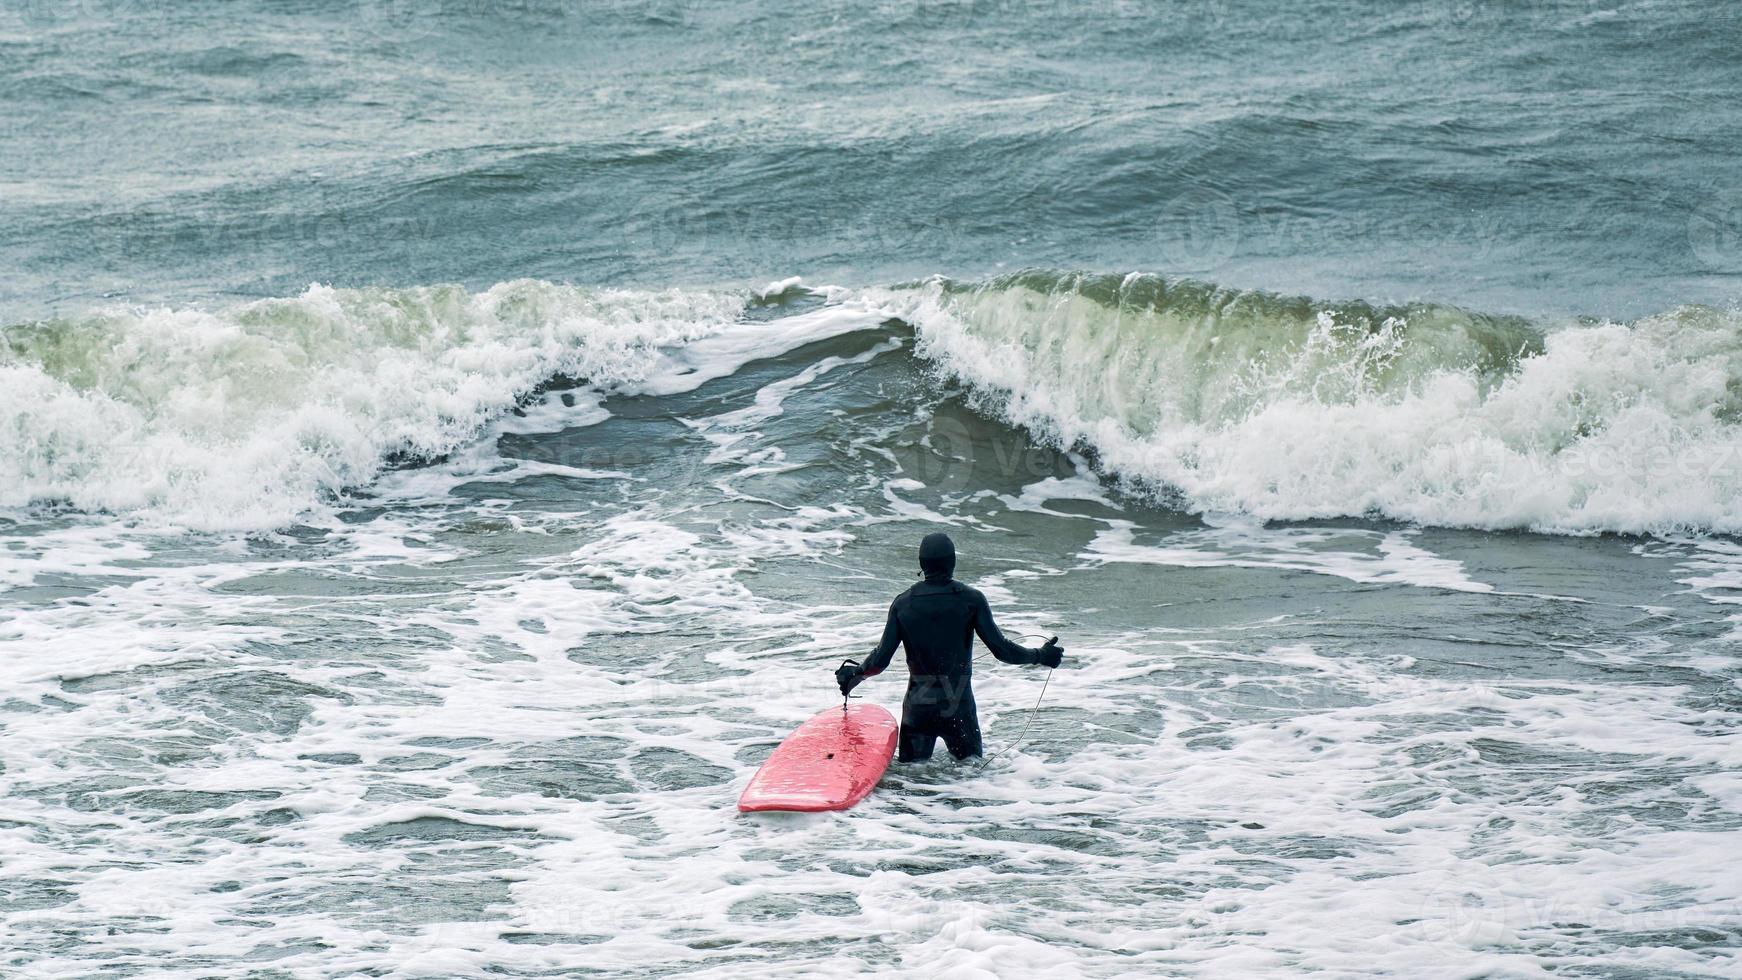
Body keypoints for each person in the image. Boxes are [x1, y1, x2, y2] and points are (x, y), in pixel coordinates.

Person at [835, 532, 1064, 762]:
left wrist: (855, 675)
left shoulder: (903, 604)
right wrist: (1040, 655)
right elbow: (1002, 650)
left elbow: (880, 660)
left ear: (921, 564)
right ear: (953, 562)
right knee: (970, 779)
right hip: (958, 707)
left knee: (911, 782)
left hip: (918, 709)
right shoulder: (971, 600)